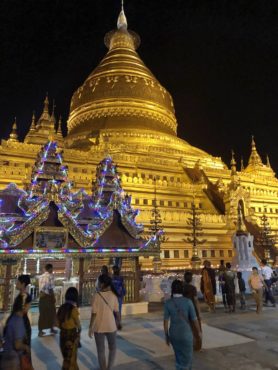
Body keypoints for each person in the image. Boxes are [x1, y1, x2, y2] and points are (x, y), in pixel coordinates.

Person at [164, 279, 202, 370]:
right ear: (182, 289)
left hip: (174, 334)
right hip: (186, 334)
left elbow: (165, 322)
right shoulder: (188, 302)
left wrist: (167, 336)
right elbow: (194, 319)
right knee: (187, 359)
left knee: (178, 358)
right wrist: (199, 332)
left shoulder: (168, 303)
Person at [88, 274, 120, 370]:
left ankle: (103, 368)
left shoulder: (96, 296)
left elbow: (94, 314)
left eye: (98, 281)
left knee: (100, 350)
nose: (97, 283)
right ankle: (109, 367)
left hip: (99, 327)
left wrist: (90, 327)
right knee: (112, 348)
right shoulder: (113, 295)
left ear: (102, 284)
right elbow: (117, 312)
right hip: (111, 326)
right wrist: (118, 322)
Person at [0, 295, 31, 370]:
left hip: (7, 359)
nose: (29, 307)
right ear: (24, 306)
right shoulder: (18, 320)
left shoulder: (12, 317)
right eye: (29, 305)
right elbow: (17, 345)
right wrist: (26, 348)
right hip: (12, 362)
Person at [57, 287, 81, 370]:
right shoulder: (73, 309)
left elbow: (57, 323)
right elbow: (78, 325)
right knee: (71, 359)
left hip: (63, 336)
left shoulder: (61, 308)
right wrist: (78, 334)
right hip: (71, 336)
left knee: (67, 358)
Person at [38, 263, 57, 337]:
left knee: (42, 315)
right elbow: (51, 288)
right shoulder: (50, 276)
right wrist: (53, 297)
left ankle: (40, 331)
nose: (52, 270)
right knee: (52, 313)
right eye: (52, 269)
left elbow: (41, 287)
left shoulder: (40, 277)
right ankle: (52, 329)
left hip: (41, 298)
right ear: (50, 269)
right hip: (48, 298)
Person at [16, 275, 32, 349]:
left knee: (23, 351)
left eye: (18, 282)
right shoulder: (20, 295)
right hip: (21, 325)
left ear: (23, 284)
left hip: (22, 326)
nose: (16, 284)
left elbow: (23, 311)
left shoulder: (25, 296)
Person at [111, 265, 126, 329]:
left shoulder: (112, 278)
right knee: (118, 309)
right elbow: (123, 286)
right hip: (119, 296)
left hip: (114, 296)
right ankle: (118, 322)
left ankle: (116, 322)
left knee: (114, 310)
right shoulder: (120, 278)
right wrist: (123, 293)